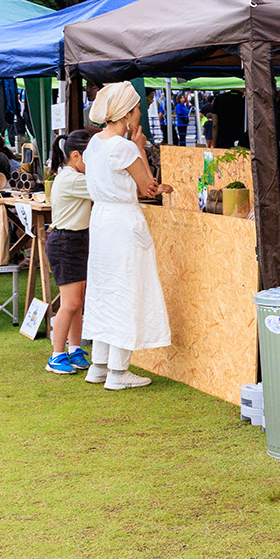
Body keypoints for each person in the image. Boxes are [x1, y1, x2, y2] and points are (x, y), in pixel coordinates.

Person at [81, 82, 174, 389]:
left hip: (102, 218)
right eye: (137, 110)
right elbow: (147, 187)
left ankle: (99, 365)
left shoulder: (95, 142)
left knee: (105, 289)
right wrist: (142, 147)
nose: (140, 115)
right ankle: (118, 372)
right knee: (126, 289)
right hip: (122, 219)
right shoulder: (123, 147)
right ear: (127, 113)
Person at [45, 129, 95, 375]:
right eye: (91, 157)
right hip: (66, 241)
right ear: (76, 156)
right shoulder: (73, 179)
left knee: (77, 302)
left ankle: (74, 349)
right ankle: (56, 355)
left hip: (76, 239)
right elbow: (104, 187)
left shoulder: (71, 174)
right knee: (71, 302)